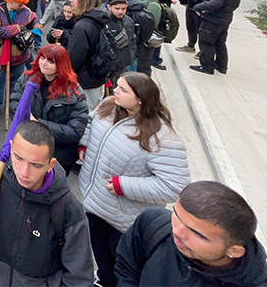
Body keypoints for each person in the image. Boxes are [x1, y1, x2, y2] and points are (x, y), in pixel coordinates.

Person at [78, 72, 190, 286]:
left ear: (140, 98)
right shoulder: (109, 105)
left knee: (124, 269)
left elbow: (175, 186)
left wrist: (124, 186)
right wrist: (84, 143)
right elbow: (91, 122)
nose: (115, 91)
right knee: (102, 259)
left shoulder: (161, 137)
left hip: (124, 221)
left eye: (123, 89)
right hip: (95, 205)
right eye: (117, 86)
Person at [0, 120, 94, 286]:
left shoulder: (67, 208)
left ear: (50, 164)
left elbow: (79, 277)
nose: (24, 172)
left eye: (36, 165)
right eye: (18, 158)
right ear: (11, 148)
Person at [115, 180, 267, 286]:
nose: (177, 232)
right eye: (177, 216)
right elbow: (126, 268)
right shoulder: (153, 224)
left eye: (197, 234)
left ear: (234, 251)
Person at [8, 44, 88, 175]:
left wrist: (39, 125)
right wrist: (24, 116)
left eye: (50, 61)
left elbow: (75, 130)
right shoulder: (27, 79)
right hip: (27, 146)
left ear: (61, 65)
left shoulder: (74, 92)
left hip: (57, 155)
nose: (43, 63)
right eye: (42, 58)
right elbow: (14, 103)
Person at [0, 0, 40, 117]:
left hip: (20, 54)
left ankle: (12, 105)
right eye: (19, 4)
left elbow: (35, 18)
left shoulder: (24, 10)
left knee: (16, 82)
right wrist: (17, 28)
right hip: (0, 54)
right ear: (11, 1)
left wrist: (36, 29)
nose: (22, 6)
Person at [191, 0, 242, 75]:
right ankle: (221, 66)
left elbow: (215, 2)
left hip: (213, 19)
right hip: (226, 18)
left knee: (206, 42)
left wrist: (198, 7)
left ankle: (206, 67)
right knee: (220, 43)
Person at [66, 0, 112, 110]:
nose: (71, 0)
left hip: (85, 80)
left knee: (84, 115)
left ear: (84, 1)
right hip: (97, 76)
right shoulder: (99, 19)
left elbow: (75, 58)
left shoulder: (82, 26)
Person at [133, 0, 162, 76]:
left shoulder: (152, 4)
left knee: (143, 68)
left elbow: (152, 25)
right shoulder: (141, 1)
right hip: (139, 42)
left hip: (145, 44)